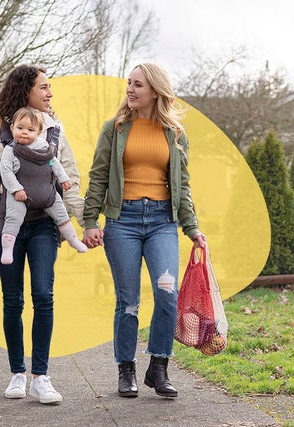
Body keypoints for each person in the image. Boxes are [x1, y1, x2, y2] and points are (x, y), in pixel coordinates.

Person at [82, 63, 207, 398]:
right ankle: (126, 370)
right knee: (128, 301)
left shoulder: (176, 134)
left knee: (167, 295)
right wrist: (90, 220)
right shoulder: (116, 128)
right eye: (129, 83)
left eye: (137, 84)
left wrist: (191, 226)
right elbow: (98, 177)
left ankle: (159, 366)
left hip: (163, 221)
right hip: (123, 221)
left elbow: (185, 185)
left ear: (155, 90)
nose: (130, 90)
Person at [0, 64, 85, 404]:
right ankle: (17, 373)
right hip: (6, 223)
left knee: (44, 296)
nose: (50, 94)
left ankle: (41, 377)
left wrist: (86, 221)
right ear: (26, 91)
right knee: (12, 300)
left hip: (43, 224)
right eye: (44, 88)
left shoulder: (54, 130)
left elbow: (70, 178)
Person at [0, 107, 88, 264]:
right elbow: (6, 172)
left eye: (30, 130)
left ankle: (74, 240)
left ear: (39, 131)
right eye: (20, 128)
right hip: (21, 196)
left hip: (47, 195)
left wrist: (64, 179)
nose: (24, 132)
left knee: (62, 215)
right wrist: (16, 189)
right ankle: (7, 249)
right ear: (13, 127)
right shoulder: (10, 150)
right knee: (13, 218)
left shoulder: (45, 147)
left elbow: (54, 163)